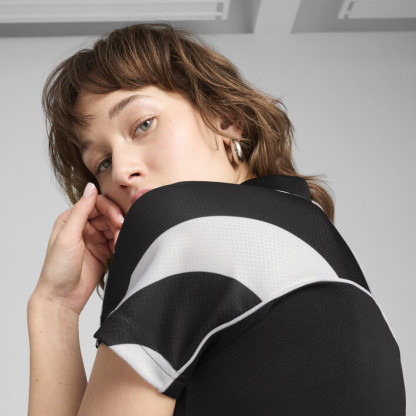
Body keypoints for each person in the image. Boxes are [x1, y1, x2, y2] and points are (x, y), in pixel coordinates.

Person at [27, 23, 406, 415]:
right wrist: (56, 307)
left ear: (225, 118)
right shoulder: (327, 255)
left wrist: (53, 308)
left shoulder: (176, 228)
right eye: (102, 163)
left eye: (143, 125)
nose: (122, 170)